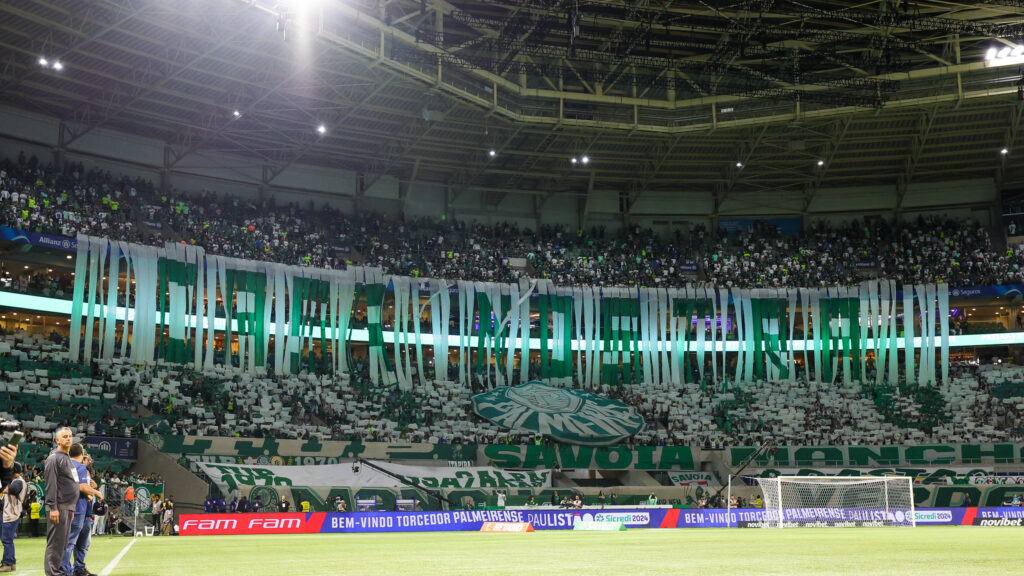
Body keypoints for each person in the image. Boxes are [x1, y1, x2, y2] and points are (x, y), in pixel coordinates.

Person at [44, 427, 78, 576]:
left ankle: (58, 571)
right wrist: (53, 507)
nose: (68, 439)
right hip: (59, 507)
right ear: (57, 440)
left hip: (67, 508)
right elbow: (51, 483)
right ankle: (53, 573)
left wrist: (71, 508)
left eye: (70, 436)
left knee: (62, 544)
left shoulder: (67, 458)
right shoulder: (54, 458)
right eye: (64, 436)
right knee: (56, 544)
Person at [64, 445, 102, 576]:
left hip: (85, 512)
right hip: (77, 510)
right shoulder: (78, 468)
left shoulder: (84, 471)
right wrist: (94, 492)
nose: (88, 461)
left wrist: (93, 488)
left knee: (82, 544)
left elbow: (84, 486)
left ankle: (79, 569)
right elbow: (82, 487)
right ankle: (66, 571)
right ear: (82, 456)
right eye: (86, 458)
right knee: (70, 543)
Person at [1, 463, 28, 572]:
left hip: (12, 514)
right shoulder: (15, 481)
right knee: (7, 540)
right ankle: (11, 563)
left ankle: (7, 563)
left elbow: (7, 490)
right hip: (9, 513)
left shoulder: (18, 482)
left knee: (7, 540)